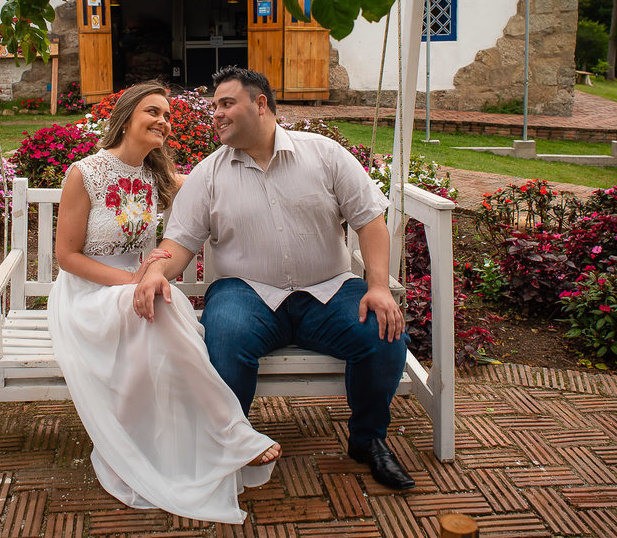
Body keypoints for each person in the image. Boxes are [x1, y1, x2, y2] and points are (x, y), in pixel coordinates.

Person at [134, 67, 415, 490]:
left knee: (384, 331)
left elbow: (369, 220)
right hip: (246, 293)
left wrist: (377, 286)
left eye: (226, 103)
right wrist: (156, 270)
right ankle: (232, 443)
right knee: (225, 336)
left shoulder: (324, 154)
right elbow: (180, 241)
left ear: (260, 104)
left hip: (328, 291)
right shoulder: (209, 174)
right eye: (214, 106)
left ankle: (368, 440)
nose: (216, 114)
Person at [48, 80, 280, 524]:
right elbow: (67, 257)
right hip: (88, 295)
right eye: (153, 112)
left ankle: (164, 442)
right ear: (126, 118)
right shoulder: (85, 173)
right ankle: (231, 431)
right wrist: (132, 281)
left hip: (136, 292)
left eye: (168, 115)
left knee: (160, 307)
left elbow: (216, 183)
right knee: (161, 304)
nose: (163, 121)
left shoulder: (157, 177)